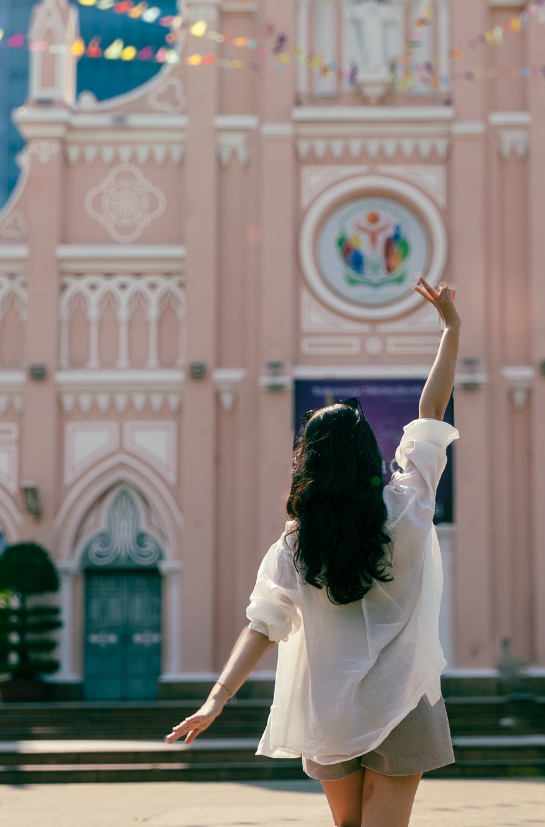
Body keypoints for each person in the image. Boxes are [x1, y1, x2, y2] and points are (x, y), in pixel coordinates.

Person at [166, 276, 461, 827]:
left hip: (331, 712)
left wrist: (216, 700)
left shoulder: (298, 545)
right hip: (403, 700)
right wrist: (450, 327)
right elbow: (432, 407)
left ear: (310, 464)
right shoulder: (408, 505)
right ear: (365, 453)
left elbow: (262, 625)